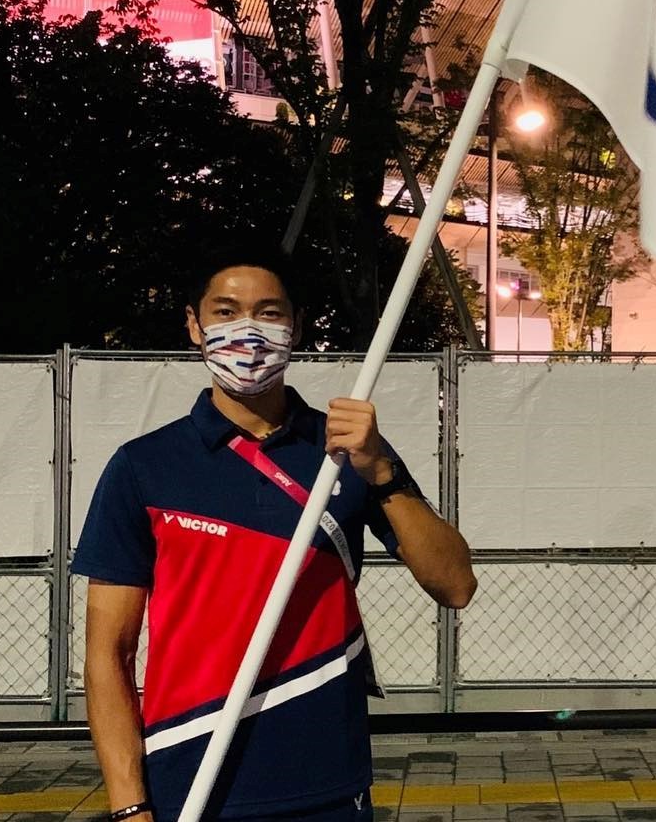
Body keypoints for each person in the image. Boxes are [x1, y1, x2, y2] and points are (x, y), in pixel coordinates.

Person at [73, 241, 476, 822]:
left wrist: (382, 471)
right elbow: (108, 653)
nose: (248, 331)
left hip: (330, 781)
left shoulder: (349, 451)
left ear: (296, 326)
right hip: (190, 774)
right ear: (194, 325)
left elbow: (455, 584)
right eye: (225, 311)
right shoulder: (144, 466)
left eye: (269, 312)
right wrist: (128, 805)